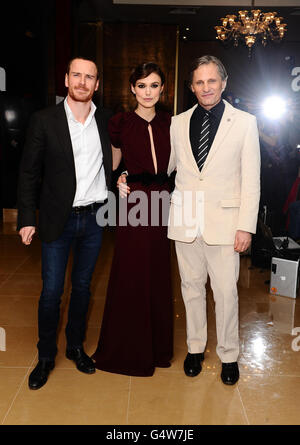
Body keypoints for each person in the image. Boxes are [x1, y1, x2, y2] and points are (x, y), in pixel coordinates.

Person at [17, 57, 112, 390]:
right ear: (66, 79)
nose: (83, 82)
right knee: (52, 293)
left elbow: (115, 162)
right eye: (77, 75)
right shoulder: (44, 120)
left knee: (83, 289)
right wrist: (27, 218)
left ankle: (75, 347)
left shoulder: (106, 121)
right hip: (58, 219)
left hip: (95, 219)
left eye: (90, 77)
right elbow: (29, 173)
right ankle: (45, 357)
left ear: (97, 84)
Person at [167, 55, 260, 385]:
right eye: (199, 82)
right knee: (191, 289)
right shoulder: (178, 123)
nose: (206, 87)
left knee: (225, 293)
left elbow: (251, 178)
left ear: (224, 82)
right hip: (186, 220)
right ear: (192, 87)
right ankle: (195, 348)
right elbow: (165, 169)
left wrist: (246, 226)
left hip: (226, 223)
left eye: (211, 80)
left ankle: (229, 355)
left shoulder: (245, 123)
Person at [92, 62, 173, 376]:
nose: (148, 92)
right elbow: (112, 164)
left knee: (158, 271)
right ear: (132, 89)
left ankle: (157, 348)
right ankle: (127, 348)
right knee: (131, 271)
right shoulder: (120, 123)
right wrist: (118, 180)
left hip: (163, 201)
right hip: (134, 201)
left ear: (162, 88)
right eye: (142, 86)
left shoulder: (172, 123)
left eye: (154, 85)